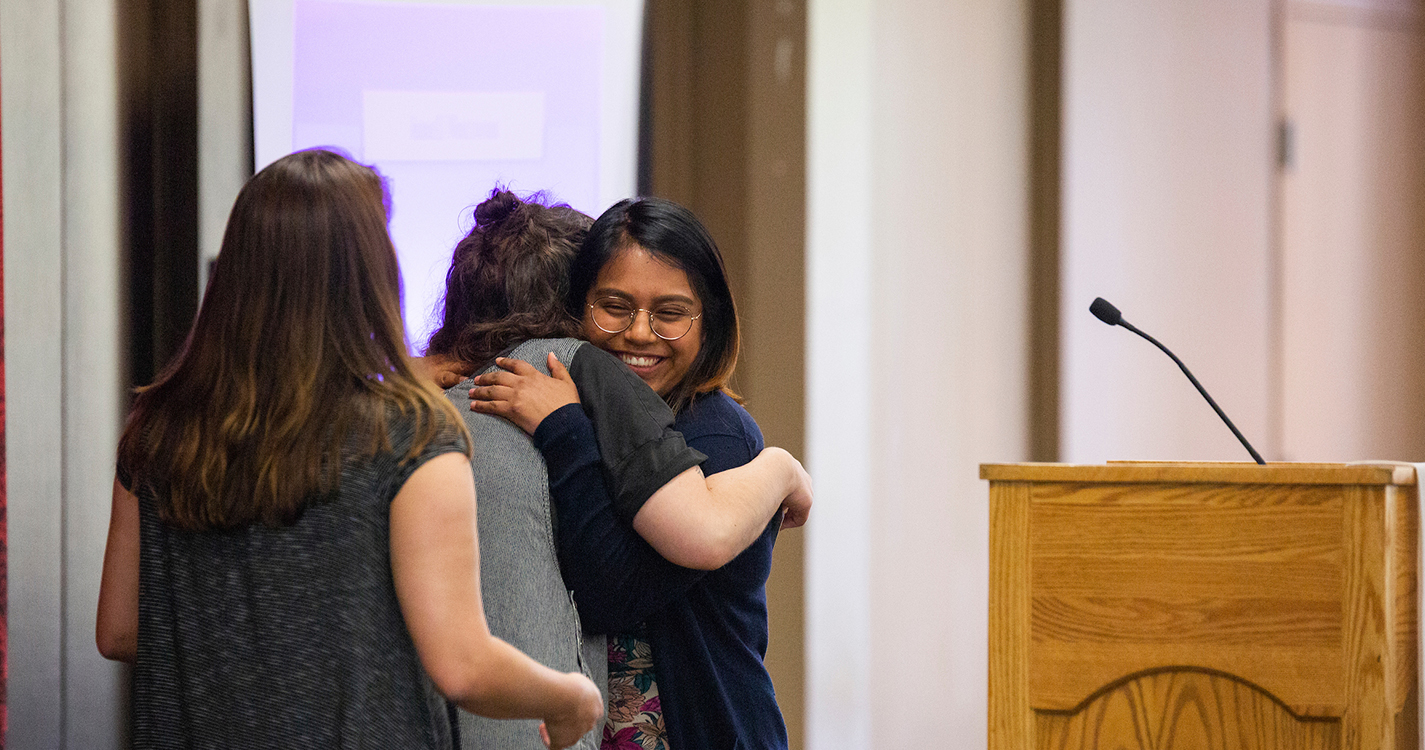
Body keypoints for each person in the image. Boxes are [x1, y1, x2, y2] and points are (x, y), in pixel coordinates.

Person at [94, 149, 603, 750]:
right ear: (369, 274)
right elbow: (463, 664)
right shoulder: (411, 436)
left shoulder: (157, 430)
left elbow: (120, 630)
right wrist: (574, 698)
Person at [421, 190, 811, 750]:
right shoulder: (589, 409)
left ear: (712, 321)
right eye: (614, 306)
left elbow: (611, 592)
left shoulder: (716, 432)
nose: (639, 333)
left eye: (671, 313)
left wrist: (564, 429)